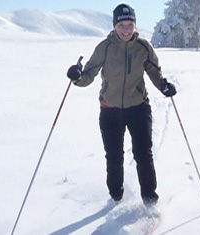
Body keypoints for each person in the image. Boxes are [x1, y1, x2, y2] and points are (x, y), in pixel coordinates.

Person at [66, 3, 176, 205]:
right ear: (114, 26)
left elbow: (154, 71)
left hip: (138, 108)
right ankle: (116, 196)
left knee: (143, 153)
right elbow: (89, 74)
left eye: (129, 25)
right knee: (114, 156)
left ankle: (150, 198)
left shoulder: (143, 47)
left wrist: (164, 86)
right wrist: (77, 77)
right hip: (110, 110)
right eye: (121, 25)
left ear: (134, 25)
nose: (126, 29)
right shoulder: (105, 47)